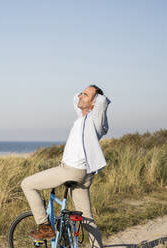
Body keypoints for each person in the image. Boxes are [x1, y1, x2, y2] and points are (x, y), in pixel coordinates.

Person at [21, 84, 111, 248]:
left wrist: (95, 95)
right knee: (86, 218)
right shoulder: (82, 118)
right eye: (82, 93)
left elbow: (103, 101)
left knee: (27, 184)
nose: (81, 96)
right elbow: (74, 98)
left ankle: (44, 226)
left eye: (86, 95)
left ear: (94, 103)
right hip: (84, 174)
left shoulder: (95, 121)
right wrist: (86, 94)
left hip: (71, 170)